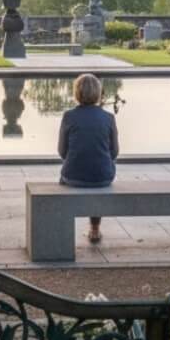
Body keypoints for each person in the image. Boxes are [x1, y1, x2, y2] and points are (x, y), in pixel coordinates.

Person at [58, 73, 119, 245]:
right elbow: (114, 152)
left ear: (77, 93)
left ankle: (61, 228)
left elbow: (62, 151)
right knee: (99, 166)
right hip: (103, 176)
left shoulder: (68, 116)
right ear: (98, 93)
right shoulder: (109, 118)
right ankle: (95, 228)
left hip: (73, 176)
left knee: (69, 171)